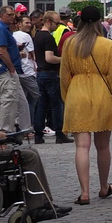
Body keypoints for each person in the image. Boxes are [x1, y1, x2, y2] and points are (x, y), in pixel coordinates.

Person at [61, 5, 112, 205]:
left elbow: (63, 76)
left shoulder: (70, 44)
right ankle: (104, 187)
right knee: (103, 146)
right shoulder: (107, 45)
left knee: (81, 145)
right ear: (99, 22)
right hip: (101, 94)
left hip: (77, 93)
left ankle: (84, 192)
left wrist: (66, 97)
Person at [0, 6, 26, 136]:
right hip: (5, 70)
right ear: (1, 15)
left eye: (13, 15)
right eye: (9, 15)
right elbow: (2, 50)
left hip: (3, 69)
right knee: (9, 99)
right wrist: (11, 67)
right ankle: (5, 130)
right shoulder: (1, 28)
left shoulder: (1, 29)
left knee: (2, 101)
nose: (12, 17)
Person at [33, 10, 66, 143]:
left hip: (40, 73)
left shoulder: (37, 36)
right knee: (56, 104)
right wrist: (64, 59)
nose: (57, 26)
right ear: (48, 21)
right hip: (49, 73)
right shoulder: (48, 38)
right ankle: (59, 133)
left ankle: (38, 134)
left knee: (42, 105)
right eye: (56, 23)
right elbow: (49, 58)